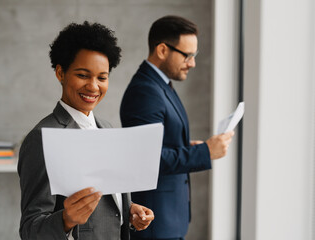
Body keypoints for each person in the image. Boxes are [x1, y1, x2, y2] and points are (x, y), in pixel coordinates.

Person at [18, 21, 154, 240]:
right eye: (83, 75)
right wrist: (67, 219)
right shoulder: (43, 138)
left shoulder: (107, 128)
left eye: (102, 77)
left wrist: (128, 210)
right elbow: (29, 230)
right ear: (61, 73)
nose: (93, 86)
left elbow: (105, 203)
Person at [120, 16, 234, 240]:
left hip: (168, 219)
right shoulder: (145, 91)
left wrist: (187, 147)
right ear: (162, 50)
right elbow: (145, 158)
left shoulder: (159, 85)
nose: (192, 63)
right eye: (187, 55)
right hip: (155, 223)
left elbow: (159, 144)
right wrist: (205, 152)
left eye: (194, 55)